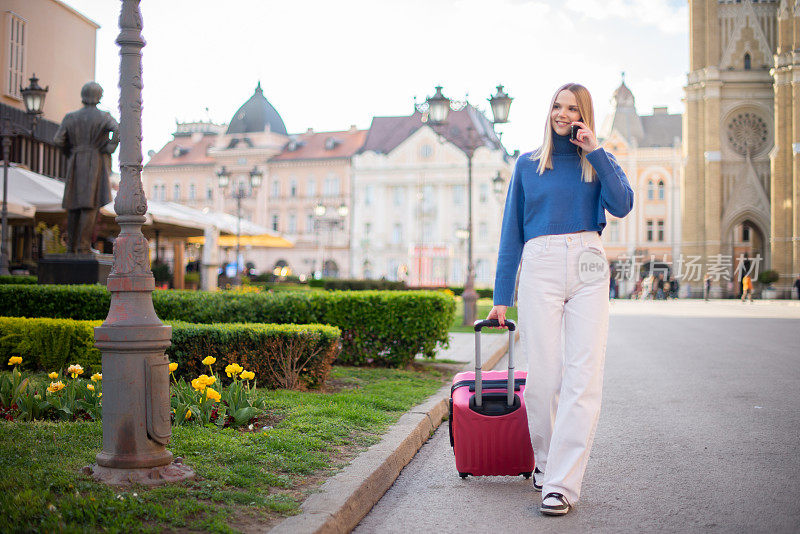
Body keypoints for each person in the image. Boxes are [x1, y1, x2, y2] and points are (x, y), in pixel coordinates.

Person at [487, 83, 634, 516]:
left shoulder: (597, 163)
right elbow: (511, 231)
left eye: (572, 108)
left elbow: (622, 205)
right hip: (541, 263)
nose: (563, 113)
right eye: (557, 105)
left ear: (584, 115)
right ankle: (547, 463)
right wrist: (501, 296)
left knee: (583, 377)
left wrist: (597, 152)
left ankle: (562, 485)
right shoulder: (527, 165)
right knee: (545, 379)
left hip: (589, 260)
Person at [54, 82, 119, 254]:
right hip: (94, 161)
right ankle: (83, 246)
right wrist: (109, 148)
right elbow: (118, 130)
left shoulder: (70, 117)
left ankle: (71, 247)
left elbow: (58, 140)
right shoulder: (103, 116)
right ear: (99, 96)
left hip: (75, 161)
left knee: (74, 204)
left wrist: (70, 152)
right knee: (89, 205)